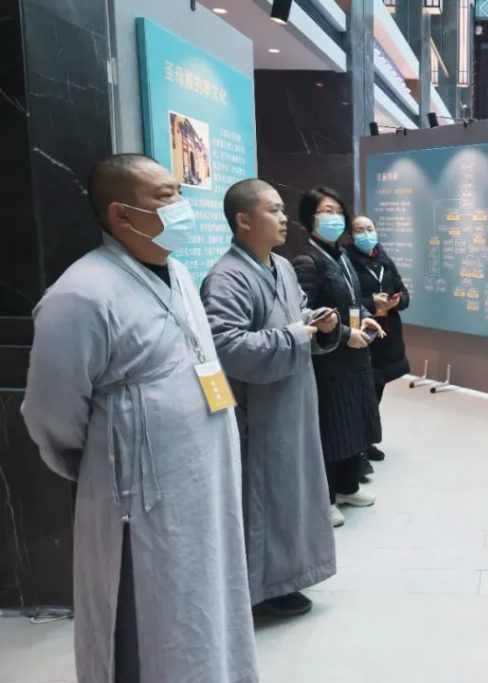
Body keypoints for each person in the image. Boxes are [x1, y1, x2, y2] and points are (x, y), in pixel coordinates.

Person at [21, 154, 258, 682]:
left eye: (179, 193)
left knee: (209, 594)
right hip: (141, 499)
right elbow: (51, 413)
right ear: (122, 214)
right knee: (153, 612)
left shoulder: (177, 272)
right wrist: (103, 463)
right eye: (165, 196)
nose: (181, 207)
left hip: (204, 485)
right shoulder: (80, 294)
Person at [201, 178, 339, 617]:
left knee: (295, 494)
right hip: (258, 414)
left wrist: (317, 321)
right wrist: (298, 335)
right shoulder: (226, 278)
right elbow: (226, 346)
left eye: (282, 210)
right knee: (265, 498)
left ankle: (287, 576)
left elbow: (295, 314)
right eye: (273, 210)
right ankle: (260, 588)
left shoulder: (280, 265)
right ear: (243, 221)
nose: (284, 219)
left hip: (293, 402)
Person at [292, 187, 384, 526]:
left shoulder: (342, 255)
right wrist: (345, 334)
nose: (335, 217)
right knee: (331, 429)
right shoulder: (307, 261)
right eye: (326, 211)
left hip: (355, 358)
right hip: (328, 361)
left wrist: (366, 318)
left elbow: (351, 301)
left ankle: (347, 487)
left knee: (353, 425)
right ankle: (325, 498)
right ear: (310, 218)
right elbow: (306, 312)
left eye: (338, 210)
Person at [345, 214, 411, 462]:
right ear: (351, 235)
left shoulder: (384, 259)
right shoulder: (346, 261)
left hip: (387, 335)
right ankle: (356, 447)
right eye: (359, 230)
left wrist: (396, 301)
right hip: (362, 334)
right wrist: (371, 303)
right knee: (361, 394)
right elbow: (346, 300)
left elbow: (404, 293)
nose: (366, 234)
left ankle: (368, 440)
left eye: (369, 228)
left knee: (376, 390)